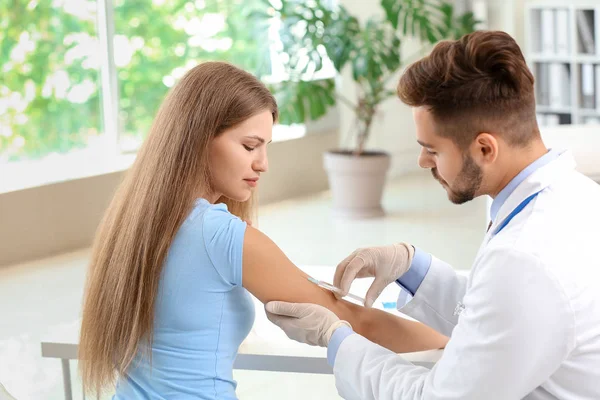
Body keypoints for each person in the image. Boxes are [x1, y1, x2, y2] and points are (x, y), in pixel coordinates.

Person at [78, 61, 447, 399]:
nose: (263, 164)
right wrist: (454, 346)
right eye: (249, 145)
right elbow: (357, 319)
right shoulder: (220, 234)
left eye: (266, 147)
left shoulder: (134, 222)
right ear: (197, 138)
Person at [265, 30, 600, 399]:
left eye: (432, 150)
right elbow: (500, 321)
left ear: (485, 148)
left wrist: (338, 339)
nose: (424, 161)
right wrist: (412, 267)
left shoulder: (523, 261)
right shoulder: (578, 196)